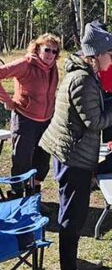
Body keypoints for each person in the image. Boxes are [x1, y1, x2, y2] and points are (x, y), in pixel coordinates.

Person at [40, 22, 112, 270]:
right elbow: (94, 122)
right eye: (111, 54)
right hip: (74, 157)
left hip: (72, 154)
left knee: (73, 212)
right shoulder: (83, 79)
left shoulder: (83, 74)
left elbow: (91, 109)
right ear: (96, 54)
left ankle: (70, 264)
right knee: (73, 215)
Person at [0, 33, 61, 192]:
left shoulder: (52, 68)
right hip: (25, 120)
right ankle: (17, 198)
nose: (50, 55)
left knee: (41, 162)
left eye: (55, 51)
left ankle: (33, 198)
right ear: (38, 48)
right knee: (22, 161)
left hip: (46, 121)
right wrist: (7, 100)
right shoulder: (25, 64)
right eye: (47, 50)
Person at [90, 20, 112, 143]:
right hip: (93, 99)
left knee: (111, 137)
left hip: (110, 98)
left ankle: (111, 158)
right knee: (92, 134)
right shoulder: (88, 59)